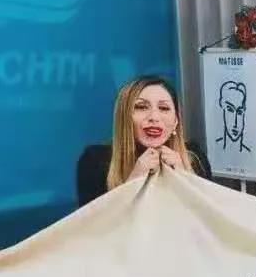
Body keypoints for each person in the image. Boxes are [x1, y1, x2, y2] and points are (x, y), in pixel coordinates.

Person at [77, 76, 212, 207]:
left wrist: (185, 177)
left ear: (176, 120)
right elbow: (92, 221)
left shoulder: (195, 158)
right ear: (124, 117)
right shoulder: (95, 161)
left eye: (164, 108)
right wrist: (134, 181)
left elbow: (210, 217)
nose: (154, 117)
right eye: (141, 107)